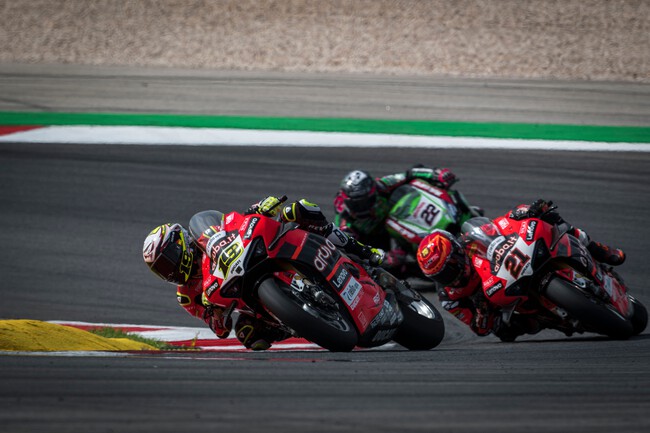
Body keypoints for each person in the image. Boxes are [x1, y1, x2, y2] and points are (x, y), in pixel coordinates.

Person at [142, 196, 385, 351]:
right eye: (161, 271)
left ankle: (362, 250)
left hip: (250, 256)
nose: (169, 271)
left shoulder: (206, 231)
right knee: (247, 334)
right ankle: (300, 321)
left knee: (299, 209)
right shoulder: (187, 296)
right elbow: (220, 330)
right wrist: (214, 314)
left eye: (167, 261)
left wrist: (258, 208)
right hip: (246, 297)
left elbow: (232, 223)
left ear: (180, 244)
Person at [415, 199, 626, 339]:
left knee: (550, 219)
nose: (448, 278)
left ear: (456, 253)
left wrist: (524, 212)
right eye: (440, 276)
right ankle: (555, 318)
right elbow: (480, 329)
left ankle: (598, 249)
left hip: (516, 264)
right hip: (505, 303)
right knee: (506, 331)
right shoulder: (449, 297)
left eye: (449, 270)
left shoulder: (470, 240)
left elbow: (500, 225)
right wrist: (481, 310)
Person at [333, 166, 469, 273]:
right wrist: (384, 257)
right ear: (347, 202)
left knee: (424, 182)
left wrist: (436, 174)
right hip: (376, 242)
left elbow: (410, 174)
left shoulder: (381, 185)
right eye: (357, 204)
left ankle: (458, 212)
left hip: (398, 220)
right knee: (383, 268)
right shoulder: (345, 223)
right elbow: (349, 251)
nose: (362, 207)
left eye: (365, 202)